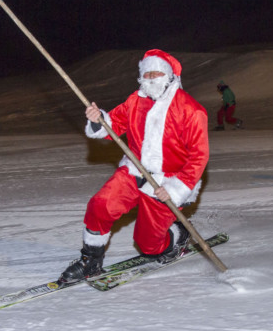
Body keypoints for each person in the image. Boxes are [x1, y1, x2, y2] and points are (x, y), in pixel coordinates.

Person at [59, 49, 209, 283]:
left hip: (166, 182)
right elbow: (115, 123)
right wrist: (99, 119)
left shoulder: (191, 110)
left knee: (149, 245)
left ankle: (177, 235)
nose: (151, 78)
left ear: (168, 75)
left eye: (156, 73)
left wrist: (176, 187)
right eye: (146, 74)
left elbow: (199, 156)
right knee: (100, 206)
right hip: (133, 170)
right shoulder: (135, 99)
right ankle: (90, 261)